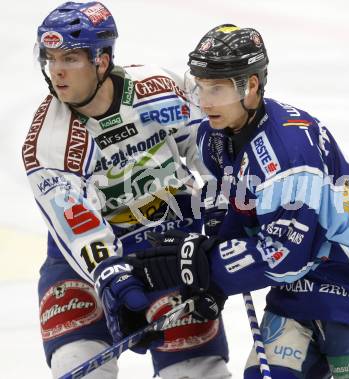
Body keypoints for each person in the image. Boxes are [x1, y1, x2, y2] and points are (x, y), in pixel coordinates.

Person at [126, 24, 349, 378]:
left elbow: (285, 254)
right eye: (201, 86)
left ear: (251, 85)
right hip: (299, 293)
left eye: (218, 87)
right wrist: (189, 275)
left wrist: (209, 269)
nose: (205, 101)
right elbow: (229, 211)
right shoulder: (215, 136)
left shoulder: (289, 151)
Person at [22, 3, 231, 378]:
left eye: (69, 58)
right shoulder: (48, 141)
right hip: (83, 261)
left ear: (101, 60)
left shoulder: (159, 89)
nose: (57, 71)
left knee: (198, 371)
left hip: (168, 246)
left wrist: (219, 208)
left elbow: (207, 146)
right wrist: (109, 273)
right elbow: (76, 222)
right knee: (77, 364)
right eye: (50, 59)